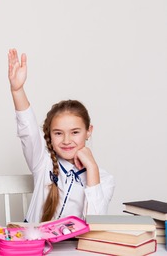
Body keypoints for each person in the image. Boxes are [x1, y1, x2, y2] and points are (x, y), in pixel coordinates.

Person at [7, 48, 115, 223]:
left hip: (73, 249)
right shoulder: (43, 162)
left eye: (75, 132)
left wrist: (92, 168)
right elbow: (28, 129)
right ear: (49, 134)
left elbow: (96, 225)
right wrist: (17, 90)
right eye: (58, 133)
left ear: (89, 131)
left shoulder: (104, 179)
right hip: (34, 246)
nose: (66, 140)